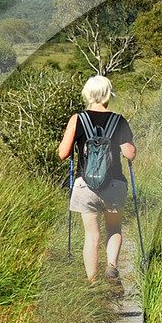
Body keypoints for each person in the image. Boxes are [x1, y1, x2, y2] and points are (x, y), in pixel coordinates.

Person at [58, 76, 136, 291]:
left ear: (88, 94)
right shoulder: (118, 120)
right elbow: (129, 154)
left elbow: (63, 153)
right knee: (114, 228)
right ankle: (111, 267)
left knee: (92, 235)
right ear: (109, 94)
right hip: (114, 184)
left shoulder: (77, 119)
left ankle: (93, 284)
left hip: (85, 185)